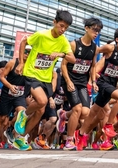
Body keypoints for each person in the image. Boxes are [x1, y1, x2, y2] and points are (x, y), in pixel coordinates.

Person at [12, 10, 76, 150]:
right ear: (54, 22)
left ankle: (20, 138)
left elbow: (72, 59)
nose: (63, 30)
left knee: (40, 112)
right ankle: (23, 114)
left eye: (66, 28)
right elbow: (24, 42)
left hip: (46, 78)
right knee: (42, 101)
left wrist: (60, 54)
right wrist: (21, 63)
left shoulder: (63, 41)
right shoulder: (41, 35)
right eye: (61, 26)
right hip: (32, 73)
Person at [74, 28, 118, 151]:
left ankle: (80, 133)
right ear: (117, 39)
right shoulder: (110, 48)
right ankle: (109, 125)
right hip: (103, 82)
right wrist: (92, 67)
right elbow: (95, 50)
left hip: (112, 83)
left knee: (94, 111)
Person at [60, 17, 102, 150]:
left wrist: (93, 81)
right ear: (86, 28)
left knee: (85, 112)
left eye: (98, 31)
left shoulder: (95, 48)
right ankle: (69, 141)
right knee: (77, 109)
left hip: (82, 82)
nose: (96, 33)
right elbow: (63, 65)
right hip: (69, 80)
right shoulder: (74, 44)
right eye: (94, 29)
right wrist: (68, 81)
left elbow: (93, 66)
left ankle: (64, 115)